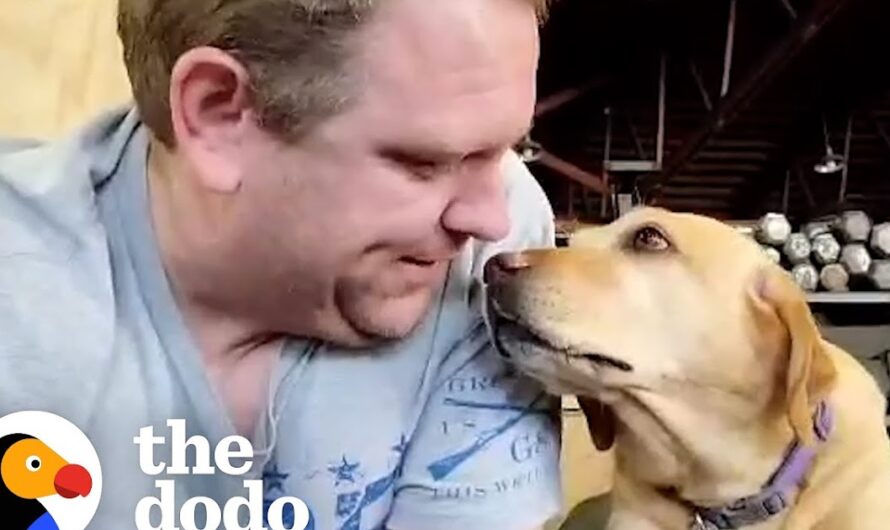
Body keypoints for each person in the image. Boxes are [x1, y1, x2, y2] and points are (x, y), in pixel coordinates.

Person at [0, 0, 564, 528]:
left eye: (505, 149)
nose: (487, 218)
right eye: (423, 162)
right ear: (219, 114)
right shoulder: (22, 296)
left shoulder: (498, 244)